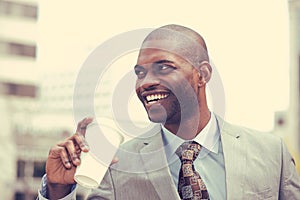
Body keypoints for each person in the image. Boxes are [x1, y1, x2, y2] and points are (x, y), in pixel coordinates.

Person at [38, 24, 300, 200]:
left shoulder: (271, 152)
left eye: (164, 68)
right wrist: (57, 189)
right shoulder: (117, 167)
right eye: (140, 73)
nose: (145, 82)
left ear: (202, 74)